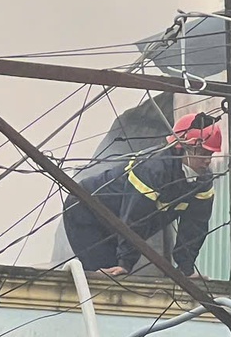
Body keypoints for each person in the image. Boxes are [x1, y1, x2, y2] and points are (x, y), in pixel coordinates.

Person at [62, 110, 222, 277]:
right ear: (183, 147)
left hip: (118, 223)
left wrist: (185, 270)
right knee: (109, 278)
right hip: (86, 211)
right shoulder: (153, 169)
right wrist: (125, 263)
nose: (208, 160)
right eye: (203, 153)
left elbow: (194, 228)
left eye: (210, 154)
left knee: (117, 277)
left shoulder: (202, 182)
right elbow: (136, 216)